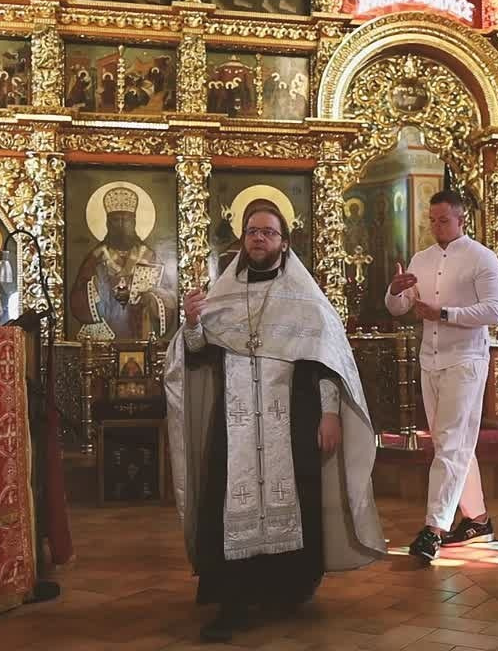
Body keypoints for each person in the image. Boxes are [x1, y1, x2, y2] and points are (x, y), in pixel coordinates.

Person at [165, 201, 385, 643]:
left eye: (268, 232)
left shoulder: (304, 298)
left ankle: (286, 588)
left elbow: (325, 361)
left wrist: (328, 413)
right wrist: (191, 322)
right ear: (242, 240)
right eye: (252, 232)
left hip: (292, 420)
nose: (259, 239)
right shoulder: (222, 295)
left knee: (294, 499)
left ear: (284, 242)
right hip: (235, 424)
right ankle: (233, 599)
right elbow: (197, 352)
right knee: (231, 504)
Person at [385, 190, 498, 561]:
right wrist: (395, 291)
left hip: (466, 360)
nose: (437, 226)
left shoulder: (482, 258)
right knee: (449, 443)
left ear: (461, 219)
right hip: (431, 360)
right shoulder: (420, 259)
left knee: (452, 441)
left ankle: (433, 529)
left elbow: (494, 310)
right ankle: (479, 520)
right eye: (432, 220)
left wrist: (445, 313)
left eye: (444, 220)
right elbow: (398, 308)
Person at [69, 186, 170, 341]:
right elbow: (78, 296)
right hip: (106, 332)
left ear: (135, 222)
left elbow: (168, 295)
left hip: (140, 331)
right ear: (108, 223)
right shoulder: (97, 256)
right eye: (116, 220)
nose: (122, 225)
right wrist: (97, 288)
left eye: (127, 220)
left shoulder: (148, 255)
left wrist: (151, 299)